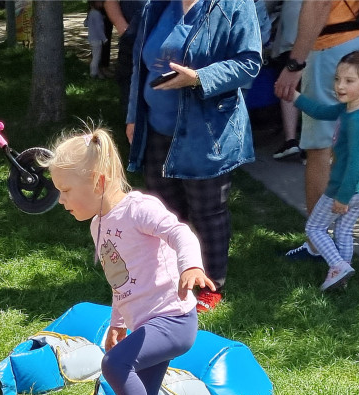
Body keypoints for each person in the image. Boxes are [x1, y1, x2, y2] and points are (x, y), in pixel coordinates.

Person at [45, 127, 214, 395]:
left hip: (173, 320)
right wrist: (117, 324)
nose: (61, 199)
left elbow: (180, 233)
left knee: (114, 365)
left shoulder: (139, 209)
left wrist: (191, 265)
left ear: (97, 180)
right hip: (144, 326)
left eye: (65, 190)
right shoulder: (99, 224)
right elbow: (119, 281)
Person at [126, 0, 263, 312]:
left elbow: (248, 64)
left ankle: (211, 285)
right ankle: (172, 277)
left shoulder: (235, 6)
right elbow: (140, 64)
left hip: (207, 130)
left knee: (207, 212)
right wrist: (134, 115)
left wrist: (199, 77)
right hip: (157, 127)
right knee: (164, 211)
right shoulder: (157, 5)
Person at [274, 0, 359, 260]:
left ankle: (317, 246)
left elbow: (319, 4)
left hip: (336, 46)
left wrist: (294, 64)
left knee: (320, 145)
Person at [287, 51, 359, 290]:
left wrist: (343, 196)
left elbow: (356, 163)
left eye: (349, 81)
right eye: (337, 79)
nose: (340, 86)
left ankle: (337, 265)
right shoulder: (353, 109)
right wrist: (294, 96)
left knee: (315, 228)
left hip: (345, 188)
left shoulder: (357, 120)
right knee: (344, 231)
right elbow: (321, 112)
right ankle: (342, 278)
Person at [270, 0, 304, 159]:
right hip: (325, 32)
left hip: (295, 31)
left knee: (289, 84)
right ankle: (311, 144)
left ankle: (291, 140)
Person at [104, 0, 146, 112]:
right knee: (130, 90)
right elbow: (110, 2)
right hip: (131, 42)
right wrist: (124, 29)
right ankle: (132, 126)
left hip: (165, 44)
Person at [85, 1, 108, 79]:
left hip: (91, 38)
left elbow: (85, 24)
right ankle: (93, 74)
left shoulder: (91, 13)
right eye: (100, 2)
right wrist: (104, 39)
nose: (101, 4)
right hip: (97, 39)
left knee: (95, 56)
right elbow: (99, 28)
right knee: (96, 57)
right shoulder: (97, 14)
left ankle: (97, 73)